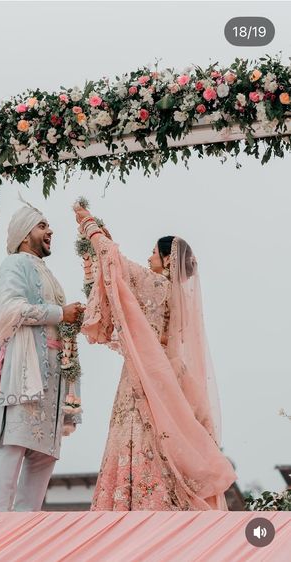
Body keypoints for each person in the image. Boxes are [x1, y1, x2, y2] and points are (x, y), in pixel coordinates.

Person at [74, 204, 237, 511]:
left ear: (167, 260)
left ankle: (135, 502)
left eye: (153, 253)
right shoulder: (181, 299)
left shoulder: (157, 285)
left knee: (137, 427)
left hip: (146, 371)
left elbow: (115, 261)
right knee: (164, 435)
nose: (149, 258)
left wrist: (89, 226)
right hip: (171, 377)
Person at [0, 200, 83, 512]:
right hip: (26, 372)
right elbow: (9, 310)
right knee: (14, 446)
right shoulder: (14, 264)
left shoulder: (47, 272)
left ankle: (24, 531)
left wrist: (72, 318)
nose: (50, 231)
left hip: (54, 380)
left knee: (44, 457)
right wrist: (60, 313)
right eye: (42, 226)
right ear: (24, 234)